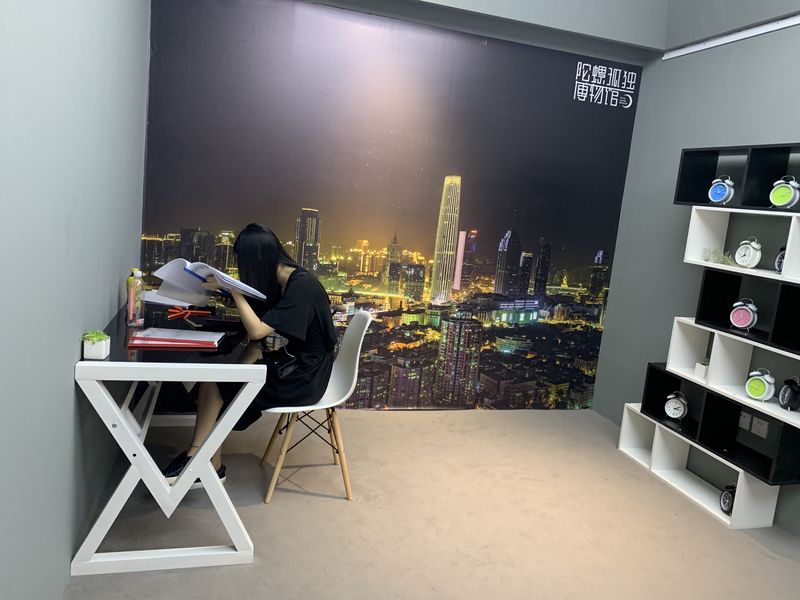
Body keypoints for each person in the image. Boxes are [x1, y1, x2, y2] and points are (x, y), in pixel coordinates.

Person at [162, 223, 338, 485]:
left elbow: (257, 331)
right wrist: (233, 298)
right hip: (295, 365)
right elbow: (267, 317)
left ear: (255, 260)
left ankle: (198, 458)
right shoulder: (286, 281)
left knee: (216, 384)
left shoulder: (301, 285)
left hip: (303, 377)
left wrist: (235, 291)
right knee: (219, 382)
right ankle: (206, 460)